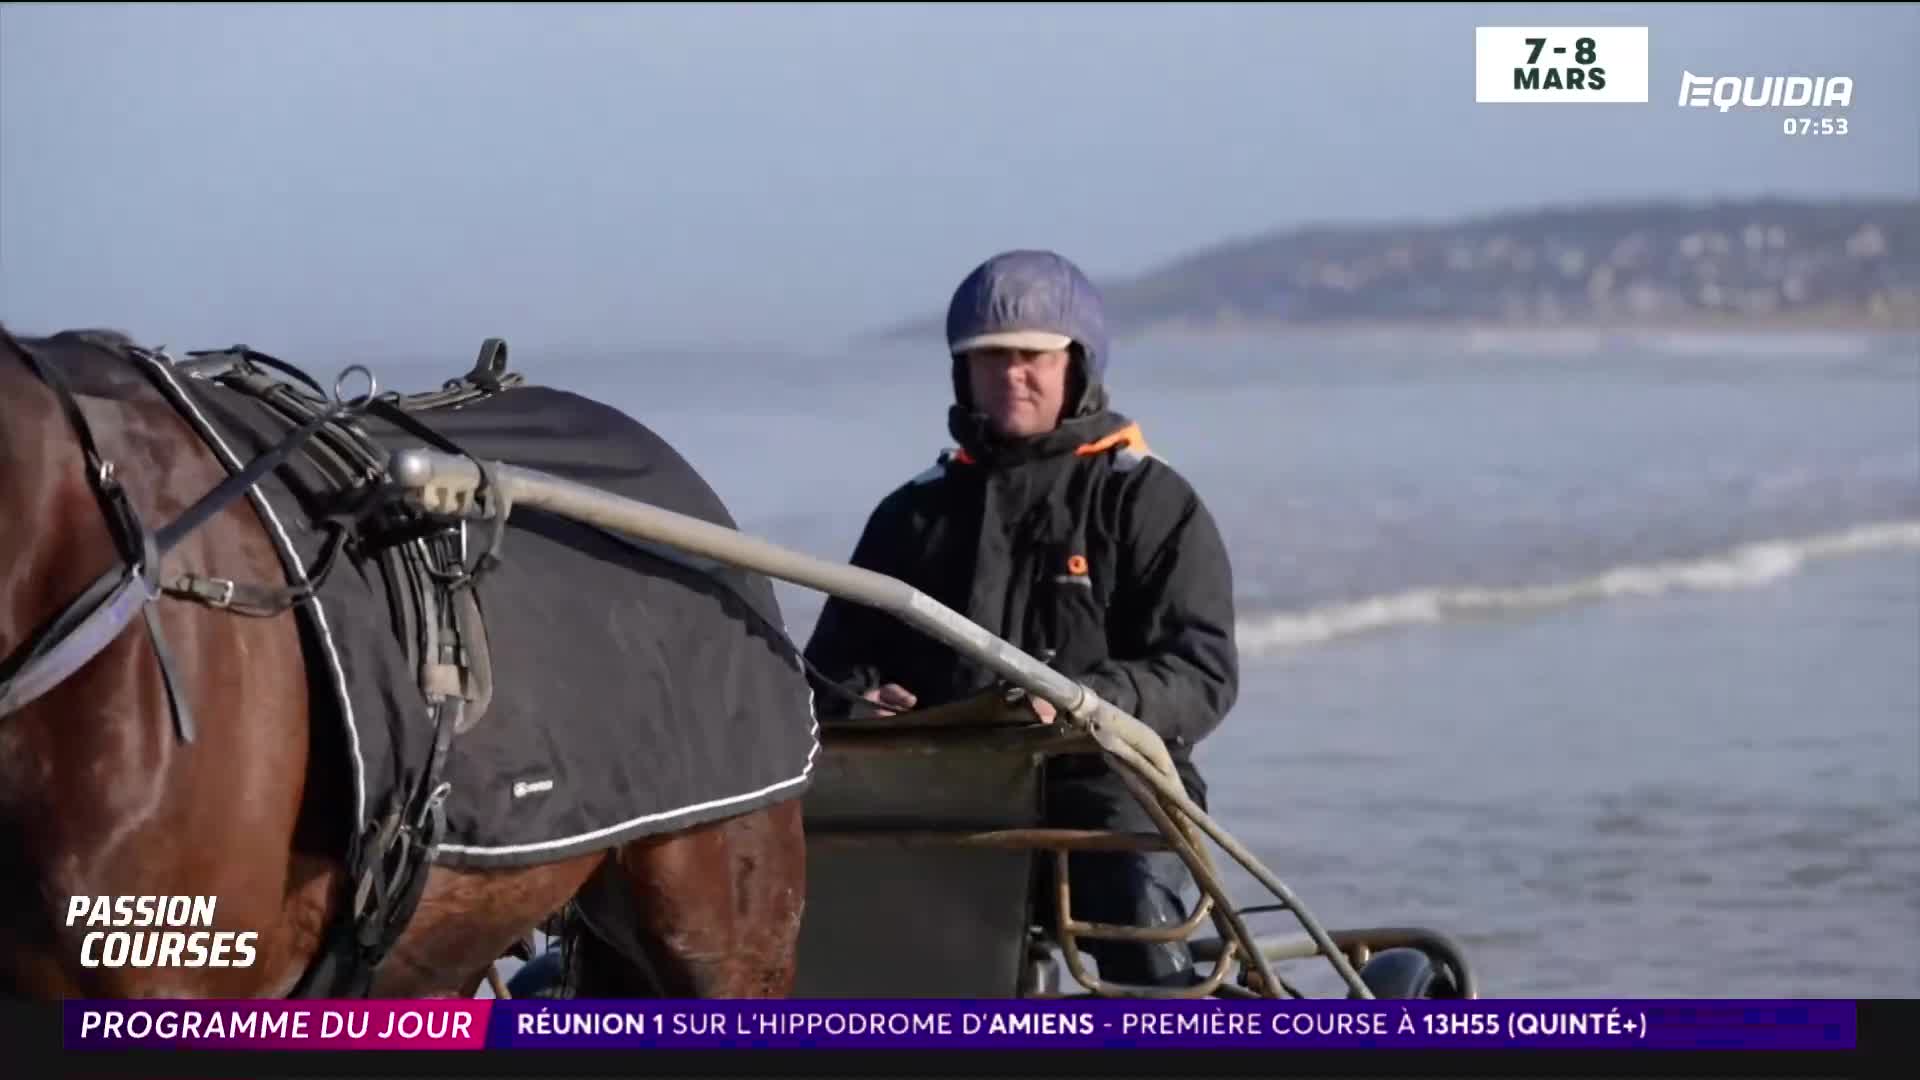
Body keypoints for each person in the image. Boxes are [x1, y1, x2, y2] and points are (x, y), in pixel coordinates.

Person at [803, 249, 1239, 988]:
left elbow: (1200, 672)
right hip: (941, 785)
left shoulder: (1150, 502)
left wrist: (1086, 702)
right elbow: (829, 664)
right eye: (991, 358)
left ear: (1079, 363)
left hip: (1106, 777)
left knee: (1132, 908)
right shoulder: (914, 513)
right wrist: (858, 700)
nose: (1012, 375)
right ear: (961, 372)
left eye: (1033, 356)